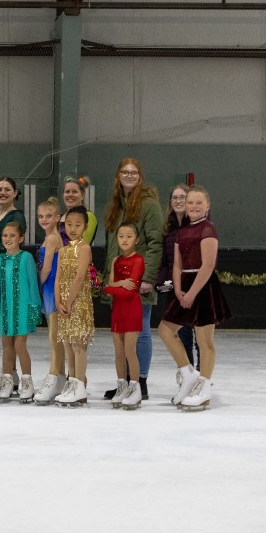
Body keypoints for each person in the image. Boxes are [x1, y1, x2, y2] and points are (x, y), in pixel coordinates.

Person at [158, 186, 231, 411]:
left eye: (199, 202)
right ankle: (188, 374)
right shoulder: (181, 232)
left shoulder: (208, 229)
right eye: (190, 202)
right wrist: (178, 289)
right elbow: (177, 264)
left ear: (207, 205)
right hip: (185, 284)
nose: (194, 206)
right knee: (165, 330)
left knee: (204, 339)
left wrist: (192, 293)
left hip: (203, 286)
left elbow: (208, 265)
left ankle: (204, 385)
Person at [102, 158, 163, 401]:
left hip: (138, 279)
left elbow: (156, 243)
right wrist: (109, 278)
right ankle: (125, 381)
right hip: (118, 280)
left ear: (140, 176)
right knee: (121, 333)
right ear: (118, 175)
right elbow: (112, 246)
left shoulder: (149, 205)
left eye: (134, 172)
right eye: (125, 172)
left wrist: (148, 278)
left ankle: (141, 381)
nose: (129, 175)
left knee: (141, 329)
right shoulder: (115, 205)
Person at [0, 177, 27, 395]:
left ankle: (9, 372)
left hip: (9, 277)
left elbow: (13, 251)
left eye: (7, 189)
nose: (2, 192)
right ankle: (10, 372)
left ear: (15, 193)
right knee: (4, 327)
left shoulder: (17, 217)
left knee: (11, 328)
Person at [0, 220, 42, 403]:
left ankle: (27, 382)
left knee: (20, 346)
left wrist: (34, 307)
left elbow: (33, 283)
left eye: (12, 235)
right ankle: (7, 381)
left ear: (21, 238)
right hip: (6, 309)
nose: (8, 238)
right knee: (6, 347)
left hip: (22, 308)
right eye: (5, 235)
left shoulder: (26, 257)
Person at [53, 206, 95, 407]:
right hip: (64, 303)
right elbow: (58, 278)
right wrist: (58, 301)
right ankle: (72, 384)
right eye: (69, 224)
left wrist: (69, 301)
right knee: (68, 344)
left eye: (77, 225)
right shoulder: (62, 250)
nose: (72, 228)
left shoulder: (84, 248)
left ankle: (79, 385)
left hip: (79, 301)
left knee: (78, 344)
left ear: (85, 228)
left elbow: (79, 278)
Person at [103, 222, 145, 410]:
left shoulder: (138, 260)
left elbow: (129, 292)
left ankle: (135, 389)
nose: (125, 240)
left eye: (129, 236)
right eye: (121, 236)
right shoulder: (115, 261)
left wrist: (112, 287)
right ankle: (121, 387)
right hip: (117, 310)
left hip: (132, 309)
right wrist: (119, 284)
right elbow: (108, 286)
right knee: (119, 352)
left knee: (130, 351)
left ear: (136, 239)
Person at [157, 184, 199, 369]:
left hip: (195, 287)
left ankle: (202, 374)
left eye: (183, 197)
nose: (178, 201)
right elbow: (165, 262)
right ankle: (187, 371)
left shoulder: (198, 226)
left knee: (200, 334)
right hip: (175, 289)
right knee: (181, 334)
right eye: (175, 197)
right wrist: (163, 283)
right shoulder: (168, 229)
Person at [33, 197, 65, 405]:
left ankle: (54, 376)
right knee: (54, 335)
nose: (44, 219)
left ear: (57, 218)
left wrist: (37, 286)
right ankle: (59, 376)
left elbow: (46, 268)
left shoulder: (53, 238)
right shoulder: (49, 237)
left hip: (51, 288)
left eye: (48, 216)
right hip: (49, 288)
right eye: (40, 216)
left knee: (55, 336)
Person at [59, 176, 97, 245]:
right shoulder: (60, 217)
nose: (70, 194)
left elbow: (83, 244)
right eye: (67, 191)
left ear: (82, 195)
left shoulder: (88, 216)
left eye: (74, 192)